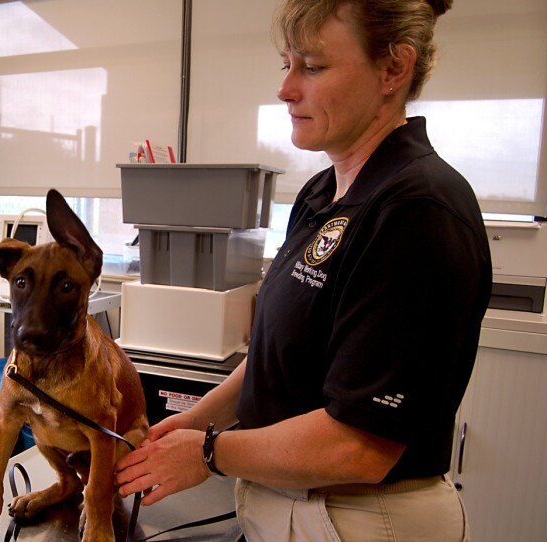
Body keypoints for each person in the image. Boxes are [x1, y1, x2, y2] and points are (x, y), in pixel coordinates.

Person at [115, 0, 491, 540]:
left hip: (360, 516)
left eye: (312, 67)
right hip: (282, 498)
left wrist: (208, 452)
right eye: (286, 65)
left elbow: (360, 445)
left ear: (393, 69)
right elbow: (277, 354)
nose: (286, 89)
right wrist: (202, 418)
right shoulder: (322, 195)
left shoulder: (417, 210)